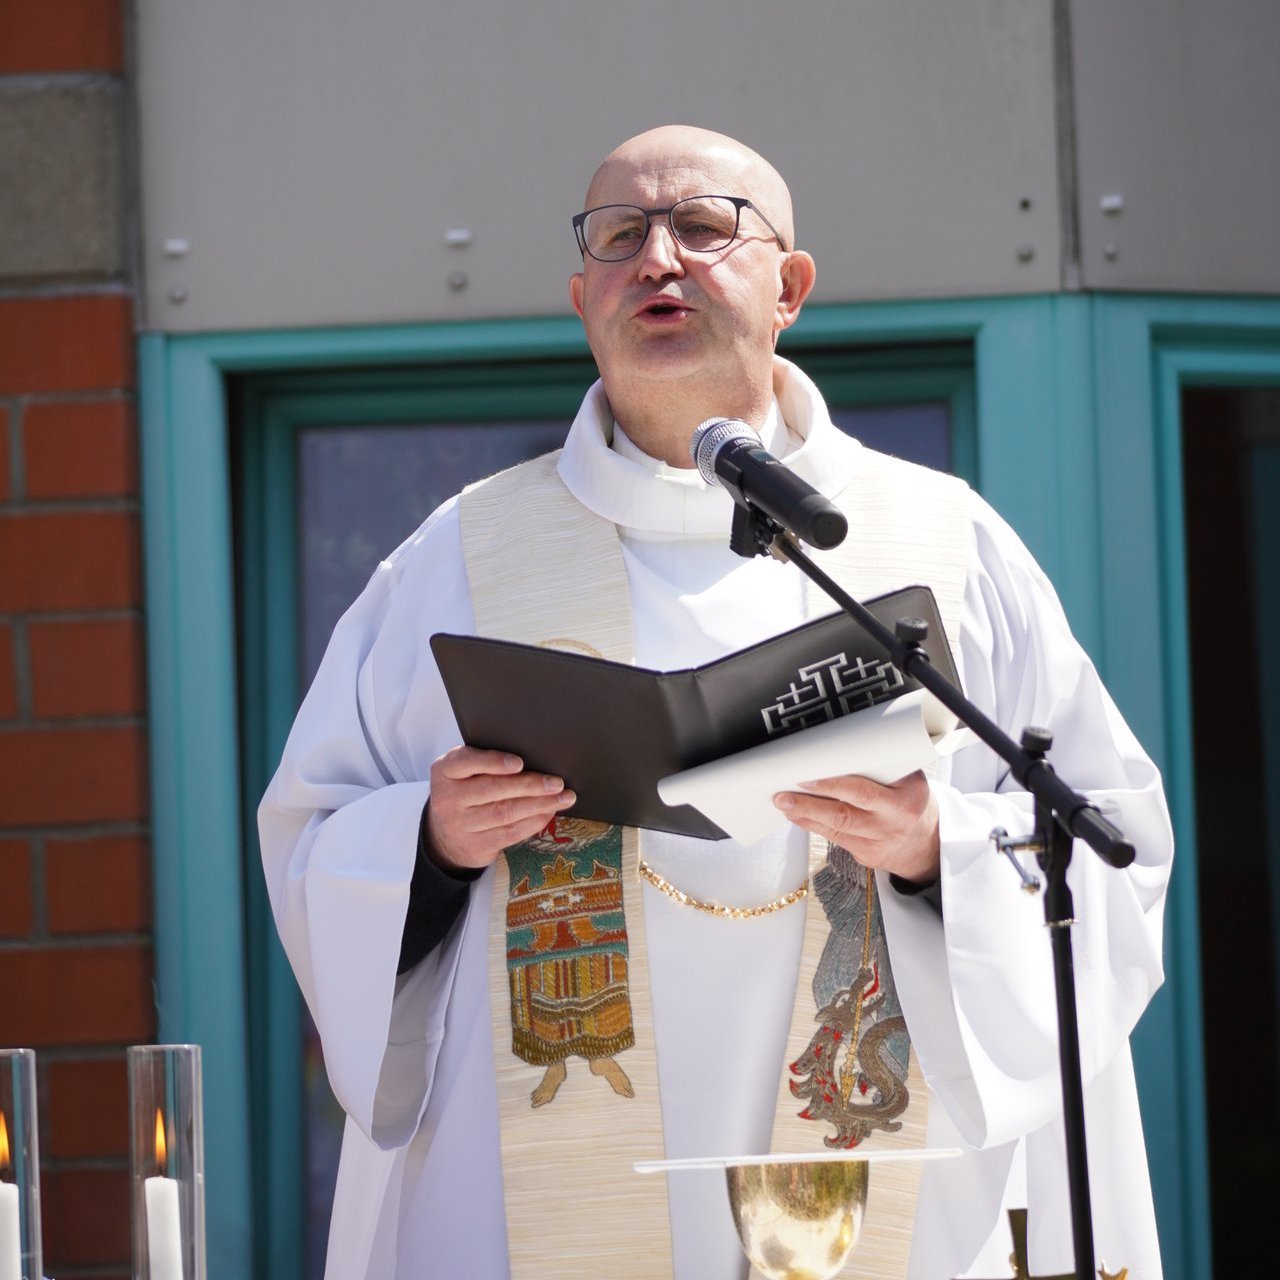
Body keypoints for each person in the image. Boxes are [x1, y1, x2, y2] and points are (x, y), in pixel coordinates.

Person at [259, 125, 1172, 1279]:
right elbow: (314, 841)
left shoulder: (941, 541)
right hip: (551, 1191)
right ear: (582, 295)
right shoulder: (458, 560)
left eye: (701, 227)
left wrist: (939, 844)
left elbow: (1104, 841)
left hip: (893, 1175)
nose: (658, 259)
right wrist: (431, 844)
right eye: (621, 235)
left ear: (788, 285)